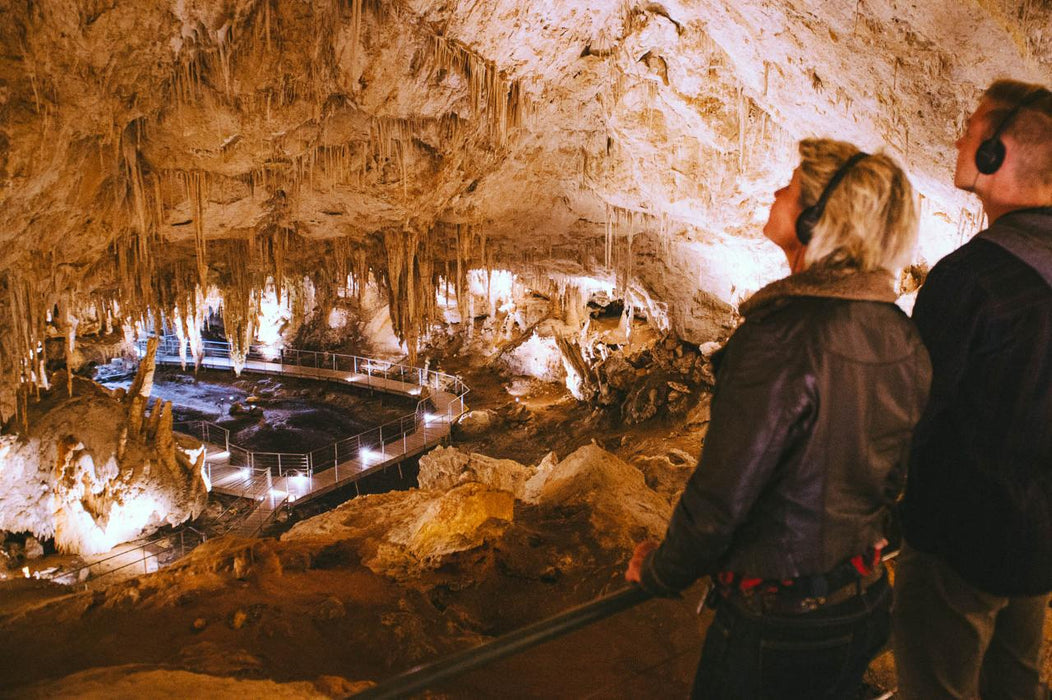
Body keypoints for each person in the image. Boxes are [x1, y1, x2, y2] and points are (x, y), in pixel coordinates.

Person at [626, 138, 932, 699]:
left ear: (817, 219)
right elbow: (894, 480)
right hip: (861, 599)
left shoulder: (781, 335)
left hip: (779, 625)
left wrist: (661, 571)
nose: (775, 192)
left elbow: (722, 495)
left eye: (791, 186)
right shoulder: (902, 336)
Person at [893, 80, 1052, 700]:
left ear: (997, 153)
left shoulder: (971, 279)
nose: (959, 136)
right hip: (1037, 537)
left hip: (958, 541)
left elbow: (910, 412)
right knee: (1016, 684)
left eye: (971, 126)